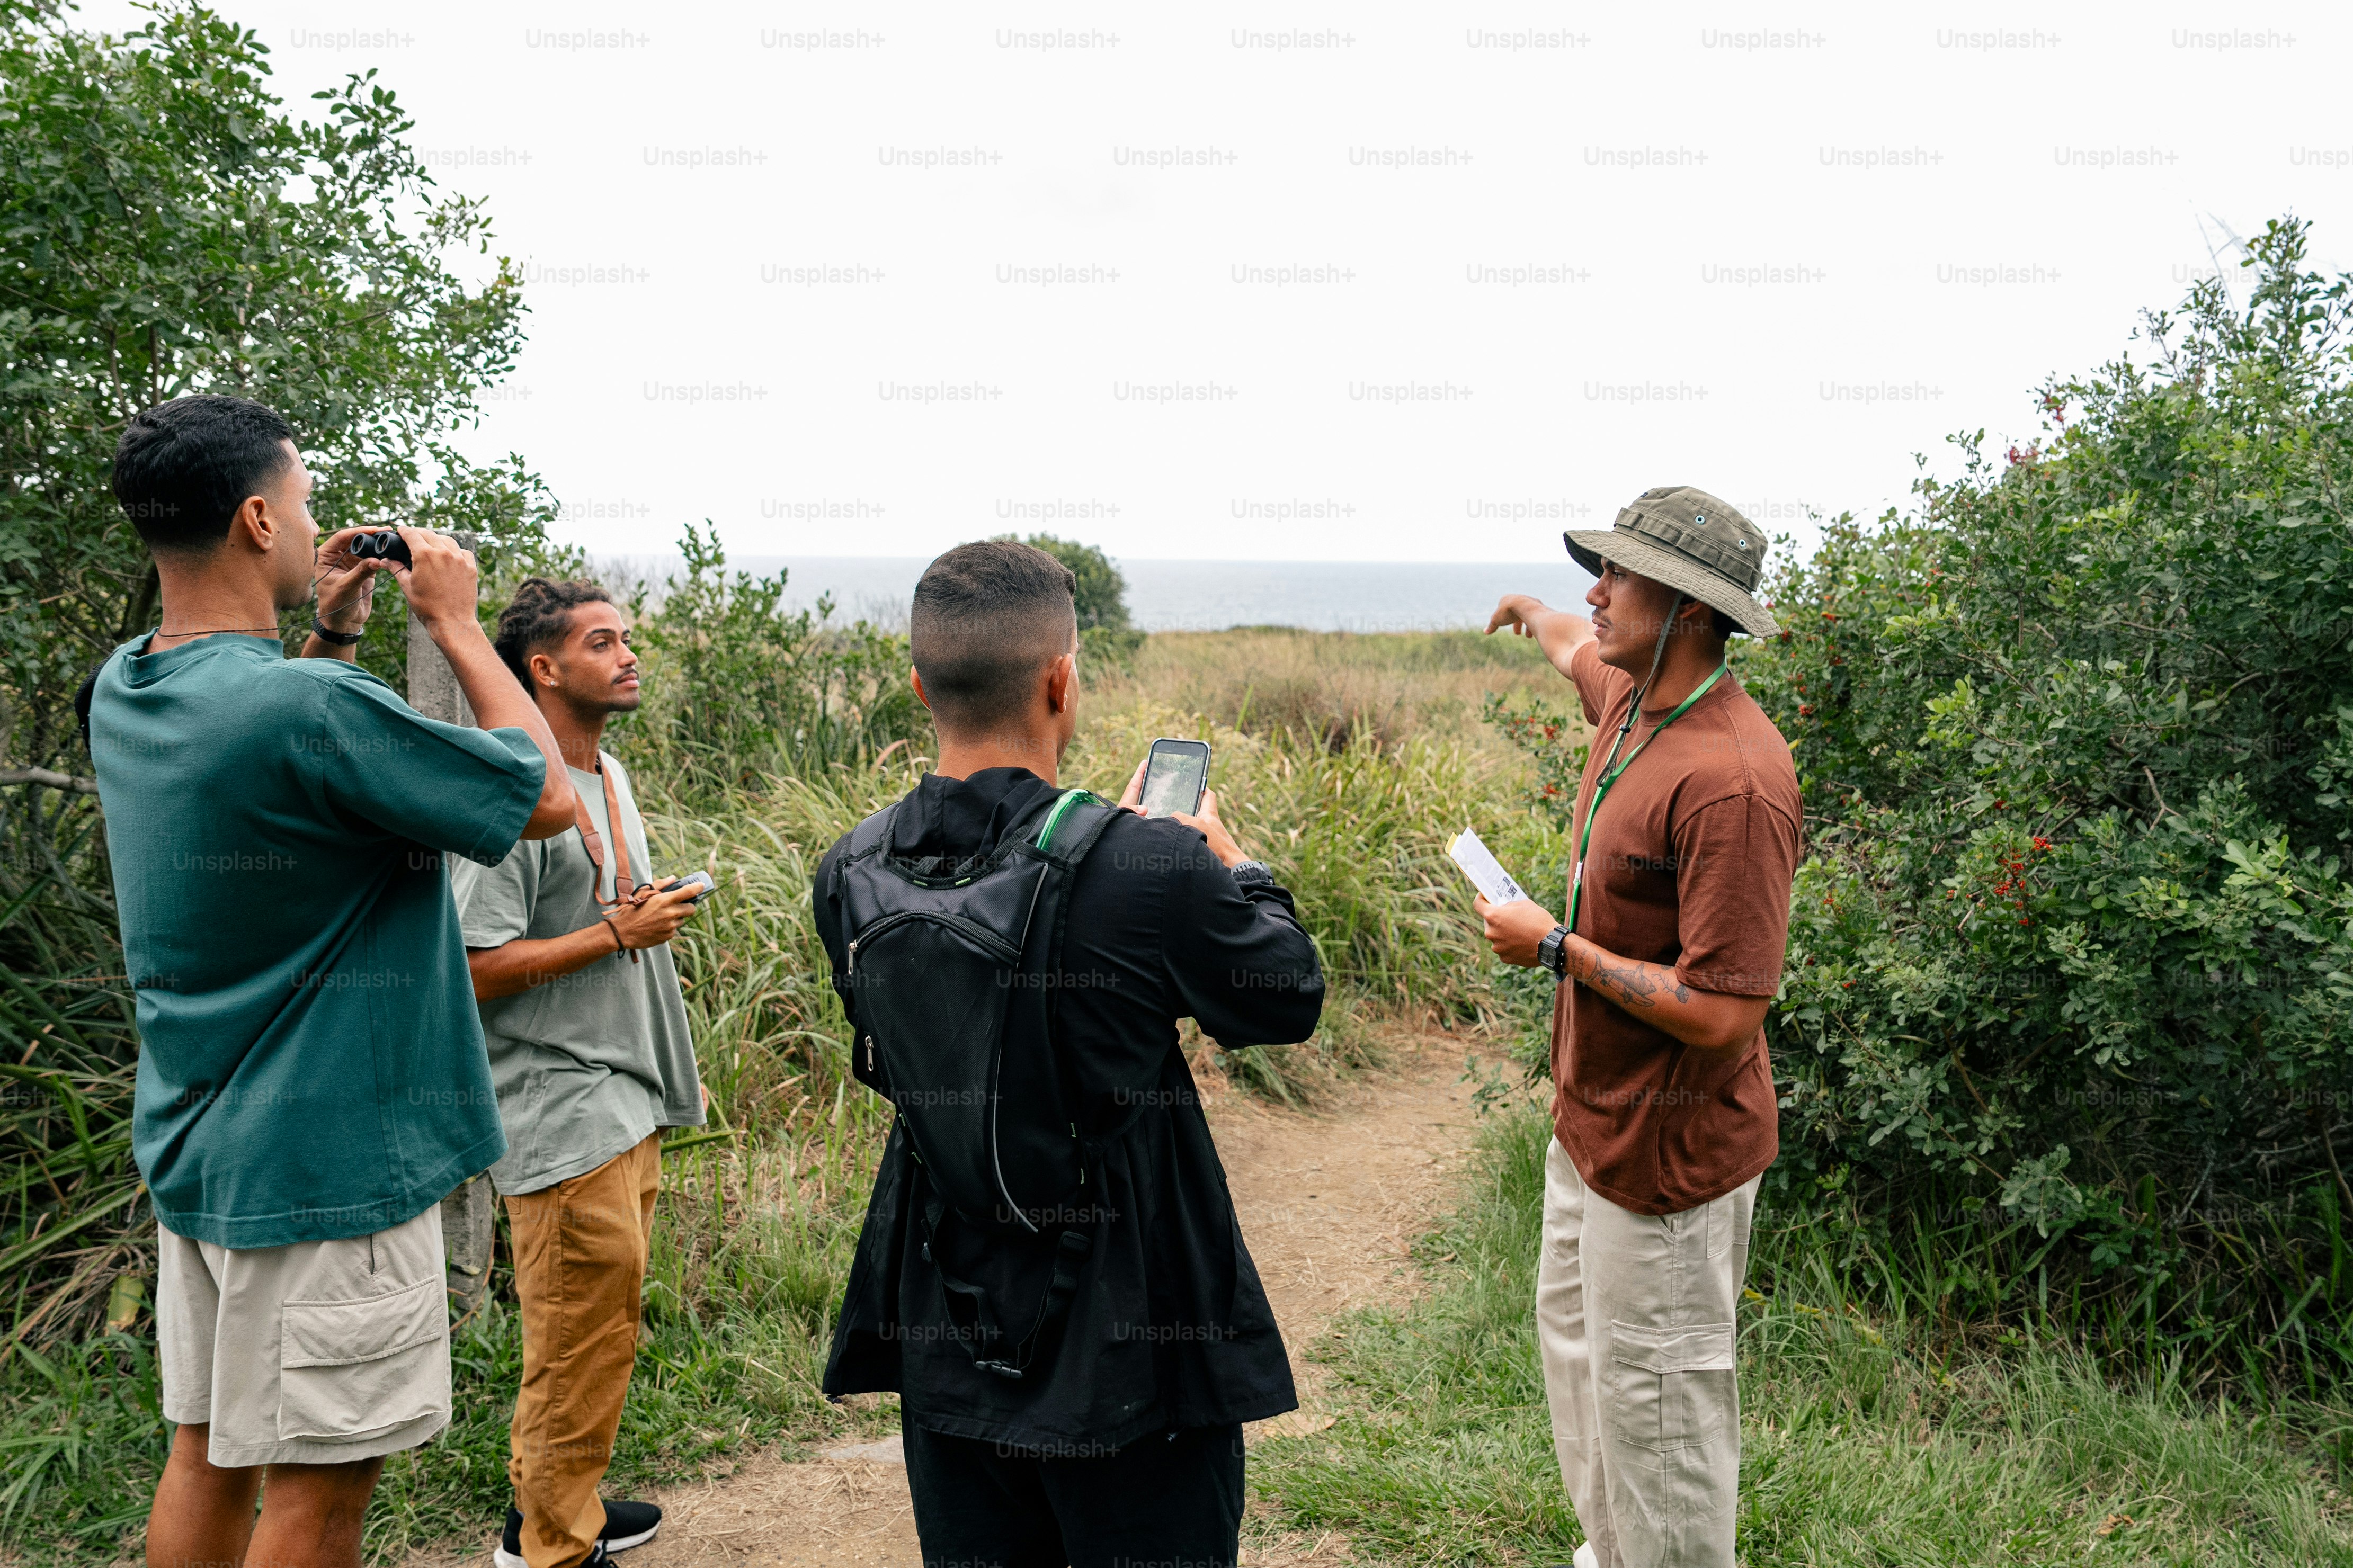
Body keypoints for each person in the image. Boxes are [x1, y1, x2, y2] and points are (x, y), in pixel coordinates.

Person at [87, 395, 576, 1568]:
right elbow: (547, 797)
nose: (314, 527)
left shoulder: (130, 686)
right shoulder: (307, 705)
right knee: (317, 1497)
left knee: (208, 1452)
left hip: (204, 1152)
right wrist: (457, 624)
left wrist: (337, 634)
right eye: (302, 504)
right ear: (258, 520)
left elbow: (280, 764)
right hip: (332, 1170)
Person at [813, 539, 1324, 1568]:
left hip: (944, 1320)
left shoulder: (850, 864)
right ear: (1061, 681)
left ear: (920, 685)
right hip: (1130, 1339)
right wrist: (1233, 864)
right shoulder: (1149, 862)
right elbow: (1286, 997)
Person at [1479, 487, 1801, 1568]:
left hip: (1671, 1159)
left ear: (1691, 610)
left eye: (1620, 576)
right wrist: (1528, 610)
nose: (1596, 593)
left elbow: (1725, 1011)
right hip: (1592, 1132)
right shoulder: (1630, 696)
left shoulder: (1733, 781)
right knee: (1587, 1377)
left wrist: (1555, 947)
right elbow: (1570, 642)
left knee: (1661, 1416)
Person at [451, 578, 708, 1568]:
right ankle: (554, 1548)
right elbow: (468, 967)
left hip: (622, 1085)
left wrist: (632, 910)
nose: (629, 653)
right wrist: (614, 934)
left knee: (600, 1326)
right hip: (556, 1099)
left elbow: (594, 909)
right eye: (603, 642)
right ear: (544, 669)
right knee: (575, 1336)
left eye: (626, 637)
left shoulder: (608, 774)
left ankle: (556, 1511)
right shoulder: (517, 794)